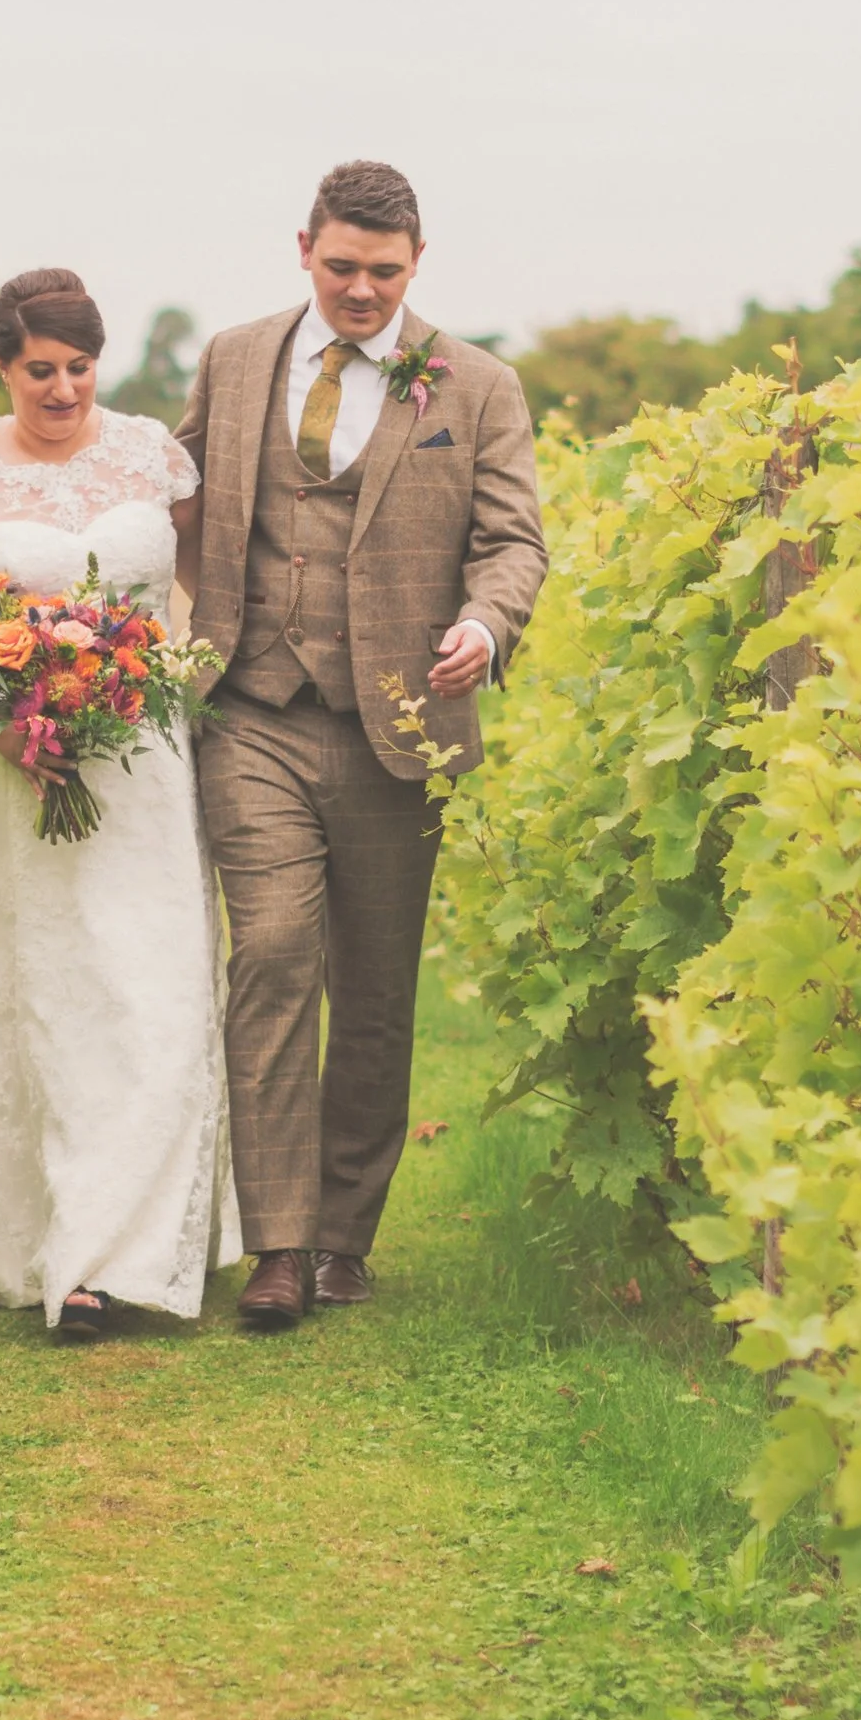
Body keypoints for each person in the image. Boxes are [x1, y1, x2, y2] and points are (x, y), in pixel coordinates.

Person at [175, 160, 548, 1329]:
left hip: (398, 724)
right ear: (303, 248)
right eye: (341, 266)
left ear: (416, 265)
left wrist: (485, 627)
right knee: (274, 955)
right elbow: (170, 497)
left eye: (383, 273)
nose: (360, 291)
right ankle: (276, 1243)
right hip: (253, 708)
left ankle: (346, 1236)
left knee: (376, 990)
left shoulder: (477, 386)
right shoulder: (234, 360)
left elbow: (512, 541)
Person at [0, 266, 239, 1336]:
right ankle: (21, 1233)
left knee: (141, 989)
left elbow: (203, 594)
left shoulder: (157, 456)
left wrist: (162, 685)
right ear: (3, 366)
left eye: (76, 369)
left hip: (140, 765)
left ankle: (114, 1252)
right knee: (3, 996)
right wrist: (5, 720)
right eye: (38, 372)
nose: (61, 391)